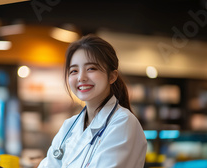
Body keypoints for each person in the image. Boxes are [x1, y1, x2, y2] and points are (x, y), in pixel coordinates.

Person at [38, 34, 147, 168]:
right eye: (74, 71)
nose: (81, 77)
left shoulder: (123, 122)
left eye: (91, 68)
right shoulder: (70, 125)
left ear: (112, 76)